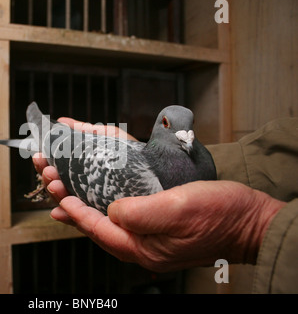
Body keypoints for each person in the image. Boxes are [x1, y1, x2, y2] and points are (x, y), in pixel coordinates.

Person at [32, 116, 298, 293]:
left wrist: (251, 227)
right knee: (56, 180)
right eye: (171, 125)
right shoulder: (140, 182)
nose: (185, 134)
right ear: (160, 126)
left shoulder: (177, 161)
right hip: (83, 151)